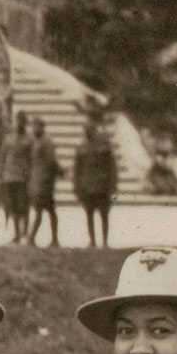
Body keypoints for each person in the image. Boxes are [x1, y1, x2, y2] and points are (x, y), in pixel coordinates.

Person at [73, 97, 119, 247]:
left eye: (90, 130)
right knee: (89, 215)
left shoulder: (104, 147)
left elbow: (112, 167)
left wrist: (113, 187)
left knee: (104, 215)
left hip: (102, 186)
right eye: (86, 130)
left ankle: (105, 242)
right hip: (87, 186)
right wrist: (77, 187)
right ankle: (92, 241)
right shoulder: (81, 148)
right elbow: (77, 170)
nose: (87, 132)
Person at [0, 111, 32, 243]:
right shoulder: (8, 138)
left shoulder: (29, 139)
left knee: (24, 205)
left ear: (25, 123)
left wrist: (31, 175)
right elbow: (2, 157)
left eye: (22, 121)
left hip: (23, 177)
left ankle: (25, 231)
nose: (20, 124)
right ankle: (17, 233)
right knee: (13, 206)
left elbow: (32, 159)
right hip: (9, 176)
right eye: (18, 121)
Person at [27, 115, 62, 246]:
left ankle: (33, 238)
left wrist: (58, 172)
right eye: (33, 126)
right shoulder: (36, 141)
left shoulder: (46, 142)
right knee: (47, 210)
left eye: (36, 126)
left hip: (45, 181)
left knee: (43, 210)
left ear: (42, 127)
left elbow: (51, 162)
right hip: (38, 180)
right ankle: (52, 239)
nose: (34, 129)